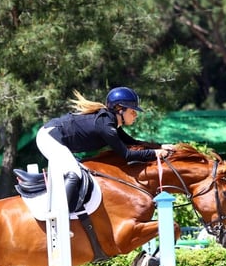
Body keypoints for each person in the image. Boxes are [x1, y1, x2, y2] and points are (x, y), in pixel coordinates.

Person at [36, 87, 173, 212]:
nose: (135, 115)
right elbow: (127, 155)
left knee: (79, 171)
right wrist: (155, 154)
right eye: (132, 111)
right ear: (120, 109)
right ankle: (60, 214)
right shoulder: (106, 126)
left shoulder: (111, 123)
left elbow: (132, 143)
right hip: (49, 137)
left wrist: (160, 146)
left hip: (54, 136)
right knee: (74, 173)